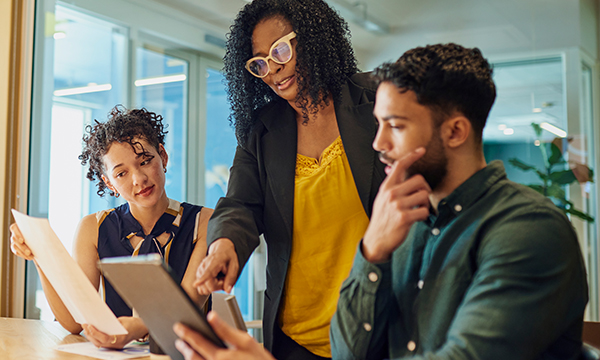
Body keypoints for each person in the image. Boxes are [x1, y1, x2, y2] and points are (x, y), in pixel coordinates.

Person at [329, 43, 589, 359]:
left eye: (396, 126)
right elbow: (347, 353)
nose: (378, 142)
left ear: (455, 132)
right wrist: (373, 250)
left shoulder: (530, 229)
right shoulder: (400, 225)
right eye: (379, 123)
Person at [194, 0, 385, 358]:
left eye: (281, 49)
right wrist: (224, 246)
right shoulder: (261, 131)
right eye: (260, 62)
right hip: (295, 339)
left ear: (313, 40)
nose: (274, 69)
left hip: (377, 330)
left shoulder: (378, 101)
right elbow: (240, 205)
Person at [10, 106, 212, 349]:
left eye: (145, 161)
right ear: (109, 183)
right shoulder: (93, 228)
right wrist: (38, 255)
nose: (138, 179)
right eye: (121, 173)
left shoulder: (204, 222)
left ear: (163, 156)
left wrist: (137, 327)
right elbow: (75, 322)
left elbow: (188, 306)